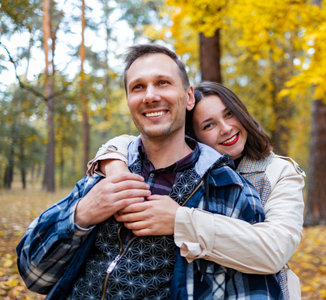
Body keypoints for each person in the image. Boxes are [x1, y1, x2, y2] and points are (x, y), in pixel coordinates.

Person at [16, 44, 283, 299]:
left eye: (163, 83)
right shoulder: (104, 176)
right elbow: (34, 274)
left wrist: (182, 222)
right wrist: (82, 214)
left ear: (189, 96)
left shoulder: (227, 189)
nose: (150, 96)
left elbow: (257, 289)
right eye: (138, 87)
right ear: (130, 101)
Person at [89, 81, 306, 299]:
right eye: (209, 125)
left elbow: (275, 250)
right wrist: (114, 163)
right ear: (193, 136)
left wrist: (180, 220)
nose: (226, 128)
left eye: (229, 114)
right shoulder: (190, 170)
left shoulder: (278, 171)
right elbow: (126, 141)